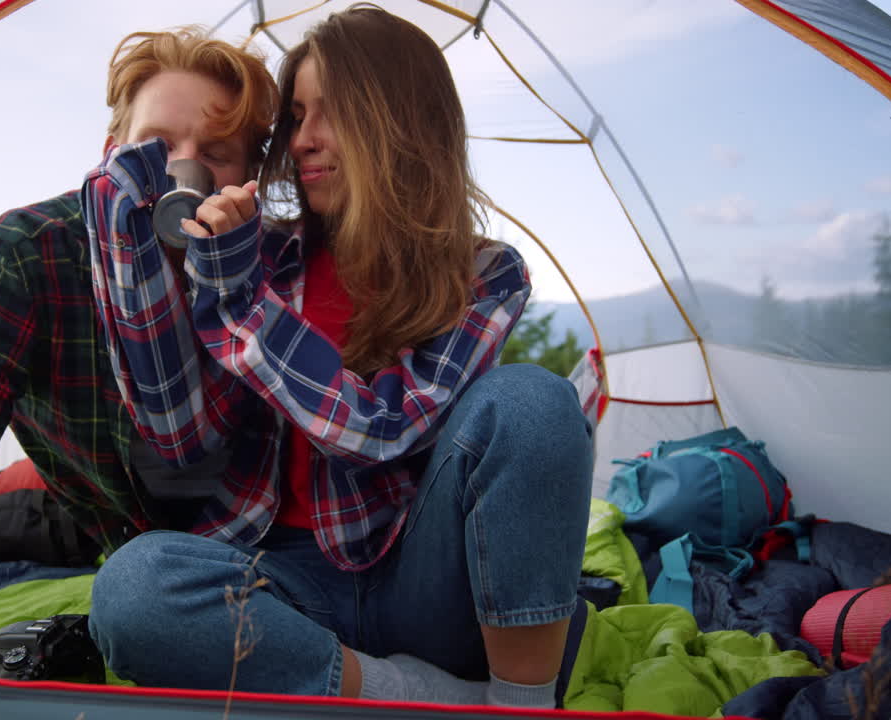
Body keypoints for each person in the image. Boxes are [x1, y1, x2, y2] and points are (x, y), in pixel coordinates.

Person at [83, 5, 594, 709]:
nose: (302, 141)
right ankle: (431, 700)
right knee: (134, 588)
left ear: (403, 122)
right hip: (285, 588)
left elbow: (378, 432)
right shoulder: (263, 253)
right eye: (295, 117)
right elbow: (178, 434)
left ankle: (519, 703)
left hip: (424, 581)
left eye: (332, 113)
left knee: (533, 402)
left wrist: (241, 304)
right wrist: (120, 228)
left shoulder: (484, 273)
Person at [0, 28, 278, 670]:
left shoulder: (275, 271)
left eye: (217, 153)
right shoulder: (24, 256)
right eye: (158, 145)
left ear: (249, 180)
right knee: (10, 524)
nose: (182, 170)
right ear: (111, 150)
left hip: (253, 542)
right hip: (130, 543)